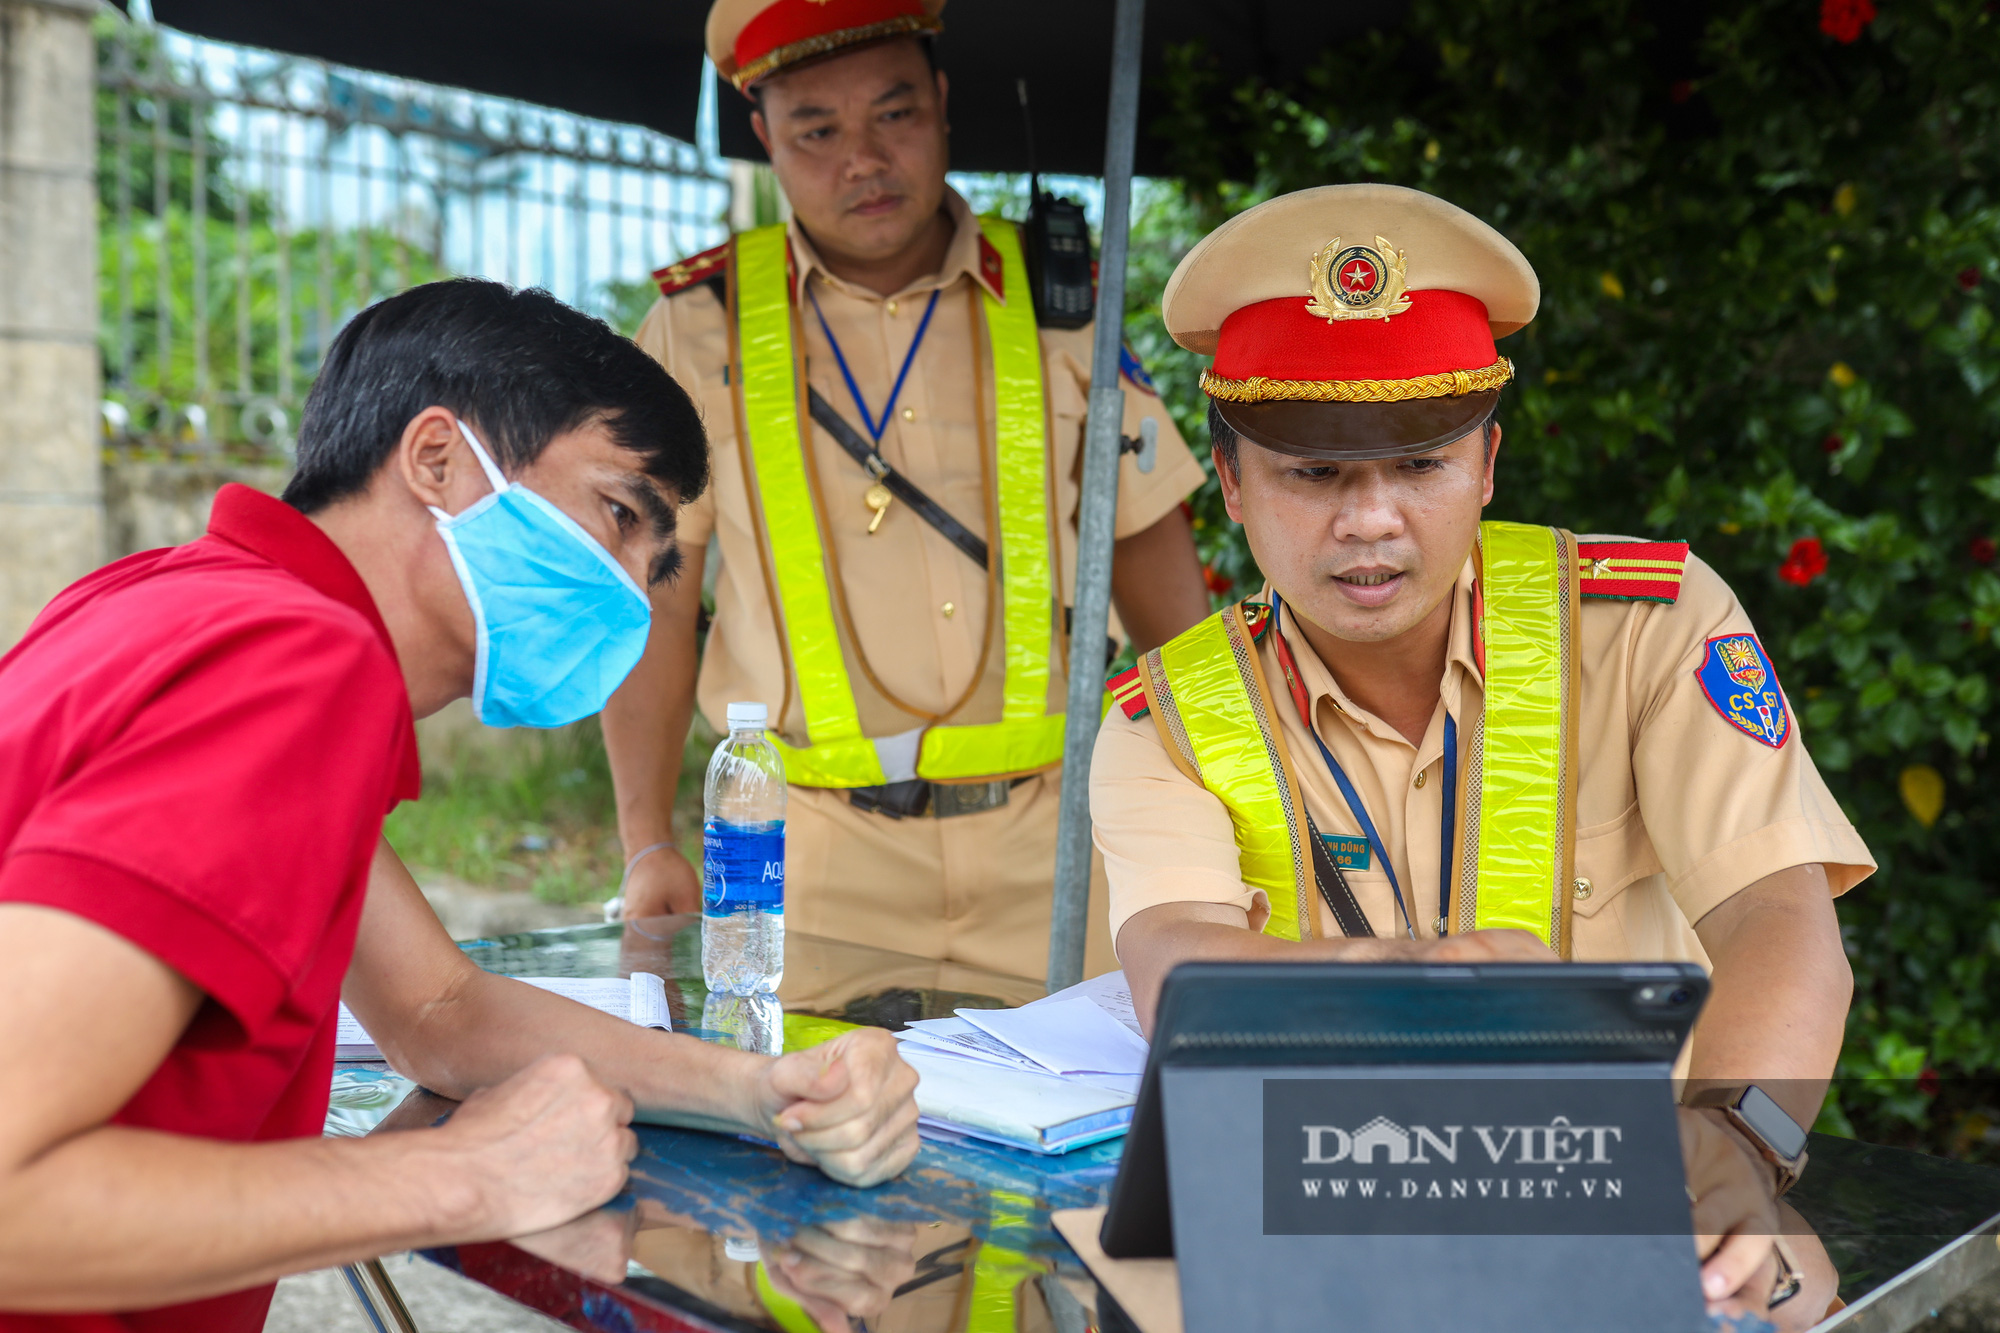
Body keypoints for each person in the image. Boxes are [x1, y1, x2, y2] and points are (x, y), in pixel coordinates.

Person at [0, 280, 917, 1330]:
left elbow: (437, 1011)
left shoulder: (170, 599)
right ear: (435, 459)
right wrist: (466, 1174)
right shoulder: (298, 665)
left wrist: (761, 1089)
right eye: (618, 515)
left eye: (658, 565)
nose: (632, 590)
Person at [1090, 186, 1872, 1317]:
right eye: (1312, 474)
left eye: (1419, 464)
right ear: (1228, 485)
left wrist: (1728, 1149)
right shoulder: (1161, 717)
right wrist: (1438, 977)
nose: (1369, 519)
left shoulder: (1646, 623)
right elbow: (1180, 971)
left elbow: (1779, 916)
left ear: (1489, 463)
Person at [602, 0, 1213, 979]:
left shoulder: (1059, 303)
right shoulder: (694, 330)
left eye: (894, 115)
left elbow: (1150, 560)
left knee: (1084, 1119)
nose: (862, 160)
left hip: (1054, 840)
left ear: (940, 102)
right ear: (763, 139)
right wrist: (644, 840)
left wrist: (1213, 797)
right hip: (801, 854)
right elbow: (656, 600)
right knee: (796, 1121)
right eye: (816, 131)